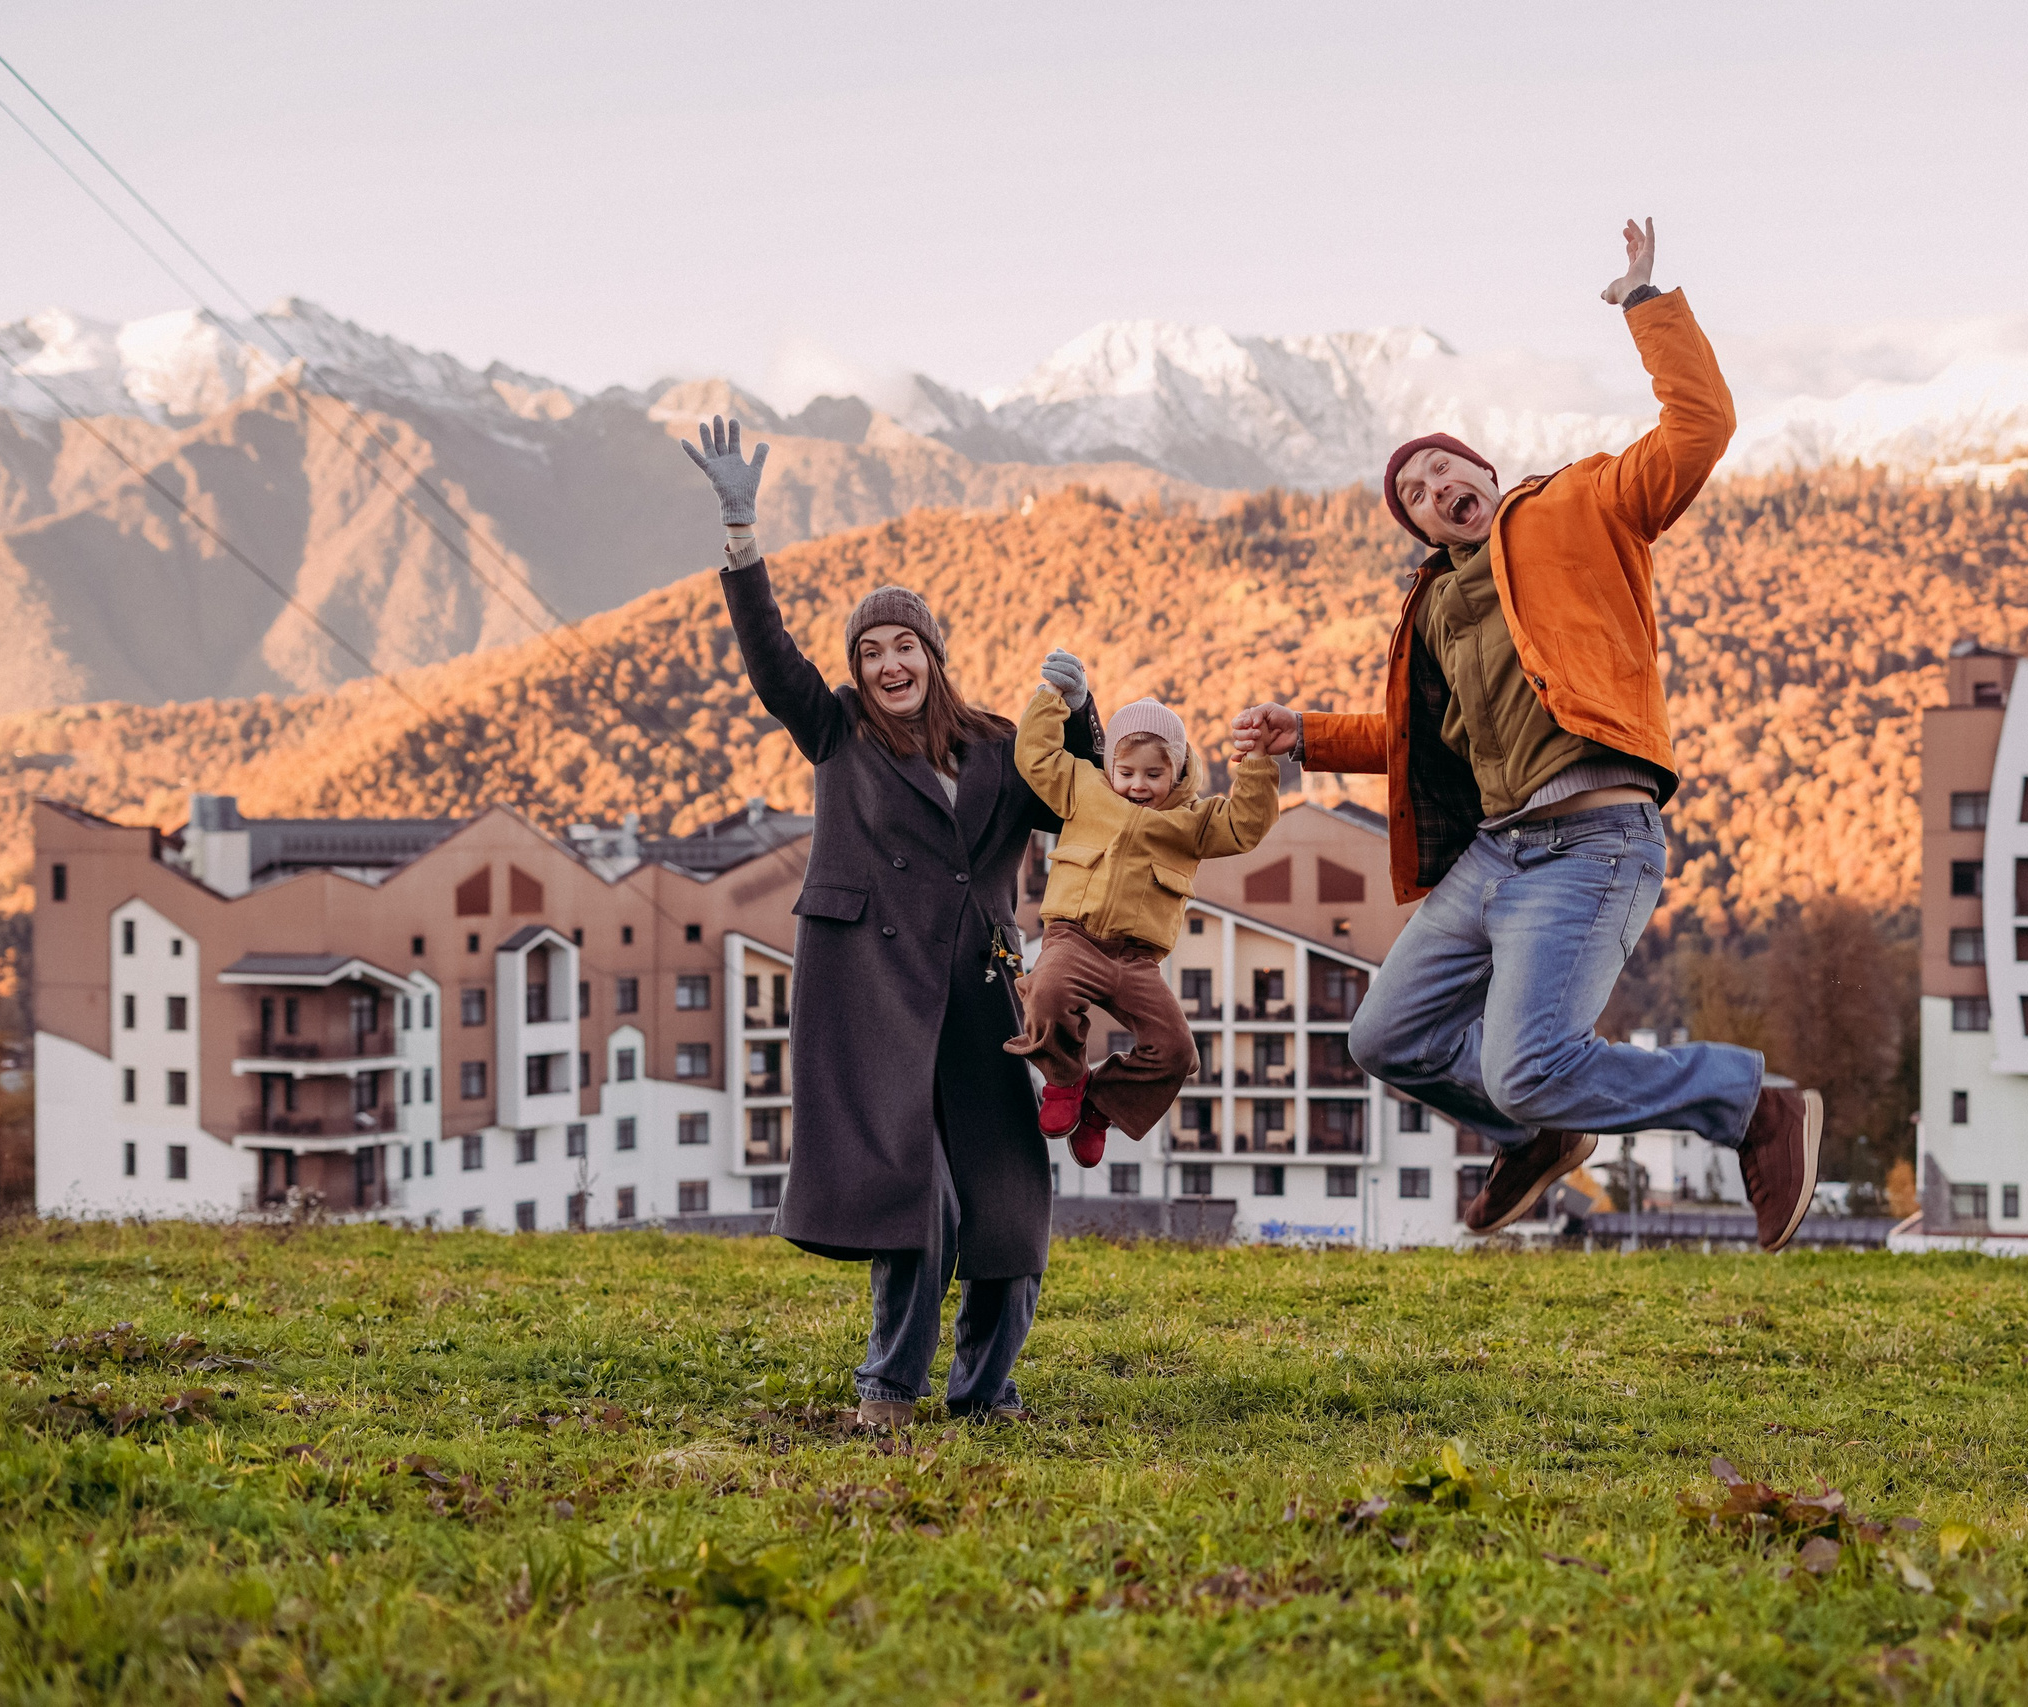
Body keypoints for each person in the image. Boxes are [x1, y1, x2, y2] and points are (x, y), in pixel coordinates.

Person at [1229, 217, 1824, 1251]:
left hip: (1592, 841)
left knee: (1529, 1055)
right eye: (1412, 496)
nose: (1433, 491)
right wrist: (1304, 737)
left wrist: (1647, 305)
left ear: (1484, 471)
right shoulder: (1436, 613)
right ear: (1416, 533)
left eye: (1443, 471)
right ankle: (1536, 1137)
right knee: (1387, 1036)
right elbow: (1424, 748)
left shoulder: (1577, 506)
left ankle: (1754, 1107)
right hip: (1497, 853)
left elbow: (1701, 427)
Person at [683, 416, 1103, 1428]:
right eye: (868, 650)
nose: (885, 662)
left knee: (1006, 1205)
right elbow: (770, 657)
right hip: (871, 997)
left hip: (981, 994)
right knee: (919, 1203)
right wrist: (741, 530)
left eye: (900, 644)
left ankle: (986, 1389)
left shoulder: (1002, 749)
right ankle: (888, 1388)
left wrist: (1084, 713)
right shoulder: (833, 732)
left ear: (931, 655)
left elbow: (1082, 800)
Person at [1004, 668, 1281, 1166]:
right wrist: (1052, 698)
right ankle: (1066, 1081)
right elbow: (1036, 757)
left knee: (1177, 1053)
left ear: (1177, 772)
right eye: (1126, 772)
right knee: (1045, 993)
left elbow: (1246, 825)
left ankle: (1100, 1106)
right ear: (1109, 764)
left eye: (1154, 775)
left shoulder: (1193, 823)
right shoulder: (1085, 789)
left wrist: (1257, 762)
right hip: (1073, 940)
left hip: (1136, 962)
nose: (1137, 786)